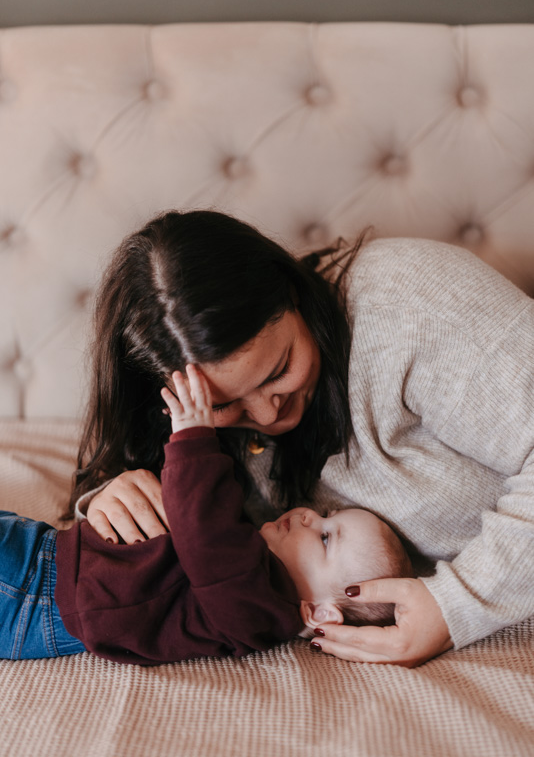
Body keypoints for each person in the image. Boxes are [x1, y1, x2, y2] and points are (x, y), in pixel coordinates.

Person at [72, 209, 534, 668]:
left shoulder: (411, 304)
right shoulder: (180, 422)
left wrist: (454, 606)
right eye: (222, 405)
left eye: (278, 372)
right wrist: (110, 498)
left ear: (292, 293)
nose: (267, 414)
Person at [0, 365, 411, 663]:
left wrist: (194, 436)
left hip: (36, 596)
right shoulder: (253, 569)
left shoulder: (260, 608)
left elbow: (207, 537)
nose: (308, 516)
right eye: (326, 514)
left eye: (325, 537)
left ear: (321, 613)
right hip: (43, 551)